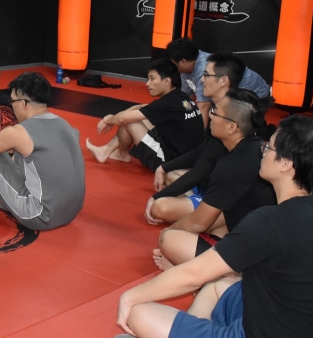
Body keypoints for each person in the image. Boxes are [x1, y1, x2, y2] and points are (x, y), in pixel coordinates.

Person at [114, 115, 313, 338]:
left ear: (286, 164)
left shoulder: (270, 221)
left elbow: (192, 275)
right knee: (218, 286)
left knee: (139, 313)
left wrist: (129, 297)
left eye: (269, 147)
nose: (263, 151)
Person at [153, 90, 276, 270]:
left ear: (232, 127)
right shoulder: (254, 147)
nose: (211, 116)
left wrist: (168, 232)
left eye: (215, 112)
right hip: (268, 238)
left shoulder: (232, 164)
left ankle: (227, 276)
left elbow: (198, 222)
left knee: (170, 240)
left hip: (261, 257)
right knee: (216, 225)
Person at [0, 72, 85, 231]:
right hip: (71, 213)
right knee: (23, 156)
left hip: (40, 216)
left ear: (22, 104)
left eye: (12, 101)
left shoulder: (19, 132)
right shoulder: (67, 125)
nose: (11, 106)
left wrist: (1, 143)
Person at [145, 52, 249, 223]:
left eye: (206, 75)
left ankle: (210, 216)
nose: (201, 79)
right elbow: (202, 152)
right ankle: (199, 209)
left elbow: (202, 168)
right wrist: (163, 167)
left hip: (221, 197)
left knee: (160, 208)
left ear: (223, 81)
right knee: (170, 175)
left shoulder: (231, 117)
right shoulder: (220, 108)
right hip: (210, 183)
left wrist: (156, 197)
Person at [87, 58, 202, 169]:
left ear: (167, 81)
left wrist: (108, 120)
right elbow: (143, 107)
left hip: (170, 162)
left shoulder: (167, 103)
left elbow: (123, 119)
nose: (147, 84)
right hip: (189, 157)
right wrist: (114, 118)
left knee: (129, 121)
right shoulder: (180, 96)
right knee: (136, 116)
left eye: (152, 79)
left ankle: (114, 152)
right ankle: (115, 152)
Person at [164, 38, 270, 125]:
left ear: (183, 61)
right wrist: (185, 118)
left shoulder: (203, 69)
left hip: (255, 97)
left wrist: (196, 137)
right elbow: (187, 98)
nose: (170, 67)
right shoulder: (184, 68)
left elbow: (204, 106)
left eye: (172, 63)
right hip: (227, 96)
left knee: (223, 125)